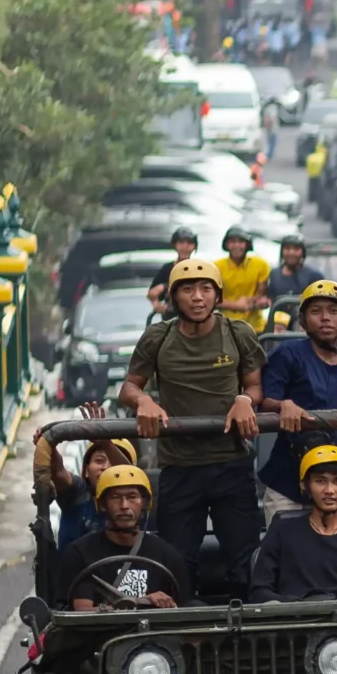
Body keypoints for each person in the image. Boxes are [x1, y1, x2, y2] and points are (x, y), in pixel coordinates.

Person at [118, 256, 266, 601]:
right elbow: (129, 386)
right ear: (173, 297)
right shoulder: (158, 337)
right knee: (177, 561)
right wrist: (144, 401)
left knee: (244, 559)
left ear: (217, 295)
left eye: (205, 289)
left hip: (231, 464)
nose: (197, 297)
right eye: (187, 289)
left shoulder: (237, 333)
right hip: (180, 466)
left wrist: (245, 400)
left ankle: (247, 637)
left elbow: (256, 386)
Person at [259, 279, 337, 517]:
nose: (325, 318)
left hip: (334, 483)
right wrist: (284, 405)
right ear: (303, 321)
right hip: (288, 482)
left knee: (333, 552)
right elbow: (265, 402)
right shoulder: (287, 353)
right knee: (286, 553)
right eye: (315, 311)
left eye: (333, 311)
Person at [251, 446, 337, 601]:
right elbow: (259, 591)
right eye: (321, 481)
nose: (329, 490)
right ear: (305, 485)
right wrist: (297, 606)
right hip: (293, 622)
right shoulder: (281, 532)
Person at [56, 465, 192, 609]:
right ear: (102, 504)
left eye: (132, 497)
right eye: (115, 498)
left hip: (154, 631)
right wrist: (142, 601)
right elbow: (82, 613)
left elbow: (184, 612)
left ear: (144, 503)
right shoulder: (81, 553)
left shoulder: (167, 555)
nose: (124, 505)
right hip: (102, 631)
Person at [34, 430, 137, 548]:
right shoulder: (77, 496)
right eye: (99, 461)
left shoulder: (141, 507)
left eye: (113, 463)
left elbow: (130, 479)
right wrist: (47, 443)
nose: (106, 468)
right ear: (87, 470)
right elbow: (58, 473)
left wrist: (107, 444)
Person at [213, 226, 272, 329]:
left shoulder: (261, 265)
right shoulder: (216, 267)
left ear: (247, 244)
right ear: (226, 245)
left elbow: (262, 295)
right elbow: (213, 299)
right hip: (225, 324)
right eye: (232, 242)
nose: (236, 246)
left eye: (240, 242)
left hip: (255, 326)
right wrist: (235, 305)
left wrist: (252, 302)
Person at [145, 226, 198, 316]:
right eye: (181, 242)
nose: (185, 246)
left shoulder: (199, 268)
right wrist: (157, 305)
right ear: (175, 244)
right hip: (171, 317)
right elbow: (152, 293)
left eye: (189, 243)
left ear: (194, 246)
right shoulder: (167, 268)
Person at [269, 234, 323, 305]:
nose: (291, 253)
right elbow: (270, 299)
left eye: (296, 249)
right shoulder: (274, 274)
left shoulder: (314, 276)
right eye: (287, 248)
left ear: (303, 252)